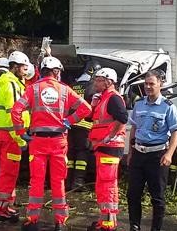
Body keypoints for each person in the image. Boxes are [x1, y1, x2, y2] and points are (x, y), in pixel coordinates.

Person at [12, 56, 91, 231]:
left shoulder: (33, 89)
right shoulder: (65, 90)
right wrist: (69, 121)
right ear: (56, 71)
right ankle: (60, 221)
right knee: (58, 181)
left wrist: (21, 132)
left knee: (37, 181)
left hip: (37, 141)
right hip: (58, 142)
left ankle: (32, 220)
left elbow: (16, 110)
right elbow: (87, 108)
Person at [126, 70, 177, 231]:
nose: (148, 87)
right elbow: (134, 128)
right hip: (138, 154)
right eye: (146, 84)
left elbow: (175, 132)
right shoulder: (139, 104)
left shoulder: (168, 107)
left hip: (157, 156)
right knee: (133, 194)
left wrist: (169, 154)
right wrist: (130, 152)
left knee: (157, 197)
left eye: (152, 83)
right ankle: (134, 226)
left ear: (160, 84)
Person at [0, 51, 32, 222]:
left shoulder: (8, 82)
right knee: (8, 173)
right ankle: (1, 210)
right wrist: (21, 138)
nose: (25, 70)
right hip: (11, 136)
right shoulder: (10, 85)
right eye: (23, 67)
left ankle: (6, 205)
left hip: (4, 134)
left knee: (8, 172)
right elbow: (12, 114)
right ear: (14, 67)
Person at [86, 68, 129, 231]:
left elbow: (123, 118)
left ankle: (109, 222)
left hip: (110, 147)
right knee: (103, 184)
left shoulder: (113, 98)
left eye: (99, 80)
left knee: (108, 184)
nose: (95, 83)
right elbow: (91, 118)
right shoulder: (103, 98)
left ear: (108, 82)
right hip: (103, 146)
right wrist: (94, 104)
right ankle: (104, 219)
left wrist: (110, 135)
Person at [68, 63, 102, 191]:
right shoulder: (93, 88)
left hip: (70, 125)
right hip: (85, 125)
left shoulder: (72, 86)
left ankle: (67, 181)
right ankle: (78, 182)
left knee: (71, 154)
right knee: (82, 153)